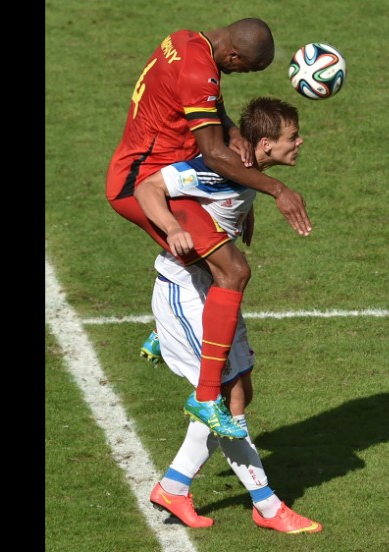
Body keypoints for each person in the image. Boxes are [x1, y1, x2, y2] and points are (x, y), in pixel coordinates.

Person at [105, 18, 313, 440]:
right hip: (144, 183)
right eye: (247, 69)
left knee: (218, 240)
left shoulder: (186, 42)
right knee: (232, 270)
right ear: (233, 57)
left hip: (158, 170)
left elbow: (205, 101)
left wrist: (235, 131)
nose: (242, 75)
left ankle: (165, 333)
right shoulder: (202, 71)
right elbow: (215, 156)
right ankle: (203, 396)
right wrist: (277, 190)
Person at [146, 97, 322, 533]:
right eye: (291, 137)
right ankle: (268, 505)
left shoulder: (250, 176)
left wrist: (246, 214)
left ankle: (174, 485)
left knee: (241, 391)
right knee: (224, 399)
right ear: (264, 144)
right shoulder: (212, 169)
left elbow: (229, 199)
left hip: (216, 293)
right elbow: (148, 187)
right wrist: (173, 229)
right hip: (185, 294)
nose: (300, 143)